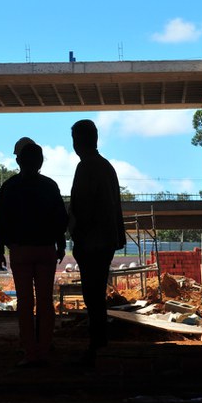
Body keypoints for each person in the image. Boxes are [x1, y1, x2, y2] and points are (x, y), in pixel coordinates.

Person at [0, 140, 68, 367]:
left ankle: (29, 352)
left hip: (20, 251)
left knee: (25, 303)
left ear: (18, 161)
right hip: (46, 250)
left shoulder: (9, 186)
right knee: (45, 302)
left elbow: (0, 221)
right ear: (41, 162)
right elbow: (60, 219)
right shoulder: (50, 186)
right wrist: (60, 245)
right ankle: (44, 350)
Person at [68, 119, 125, 367]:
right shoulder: (106, 167)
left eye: (75, 139)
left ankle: (97, 345)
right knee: (97, 294)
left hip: (92, 242)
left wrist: (76, 233)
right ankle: (99, 343)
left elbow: (82, 207)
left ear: (79, 141)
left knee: (92, 295)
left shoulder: (86, 167)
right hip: (105, 241)